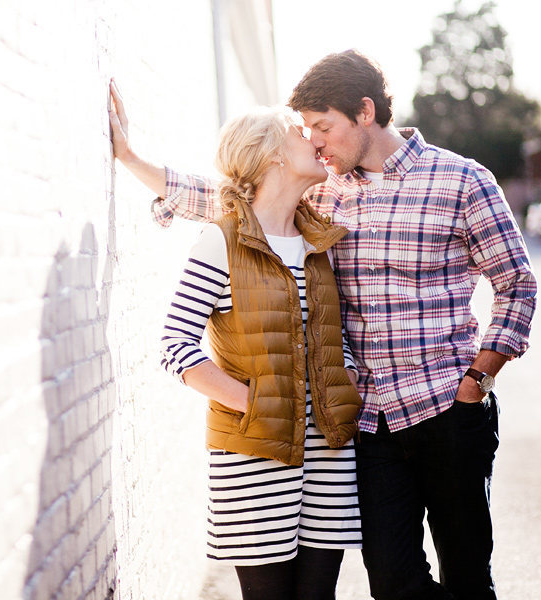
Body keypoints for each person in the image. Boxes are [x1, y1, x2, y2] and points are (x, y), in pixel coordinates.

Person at [109, 49, 537, 600]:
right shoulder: (324, 194)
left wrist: (478, 379)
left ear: (365, 112)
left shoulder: (462, 181)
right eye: (306, 130)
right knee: (392, 582)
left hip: (447, 409)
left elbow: (518, 283)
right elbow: (240, 193)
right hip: (370, 424)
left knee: (468, 576)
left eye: (323, 127)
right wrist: (132, 159)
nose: (315, 141)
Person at [159, 105, 363, 600]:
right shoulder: (221, 241)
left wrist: (348, 376)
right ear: (272, 156)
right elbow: (175, 346)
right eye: (300, 132)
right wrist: (252, 402)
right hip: (253, 456)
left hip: (327, 451)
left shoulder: (321, 240)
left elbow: (335, 338)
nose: (314, 138)